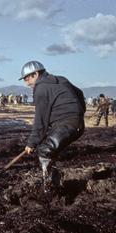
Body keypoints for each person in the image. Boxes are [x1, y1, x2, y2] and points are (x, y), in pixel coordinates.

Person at [20, 61, 85, 192]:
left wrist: (31, 143)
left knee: (44, 150)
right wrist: (79, 113)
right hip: (75, 124)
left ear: (36, 74)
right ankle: (55, 181)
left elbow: (40, 121)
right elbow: (80, 93)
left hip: (67, 124)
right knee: (50, 149)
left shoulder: (41, 89)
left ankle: (49, 189)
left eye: (27, 79)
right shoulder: (61, 79)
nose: (27, 83)